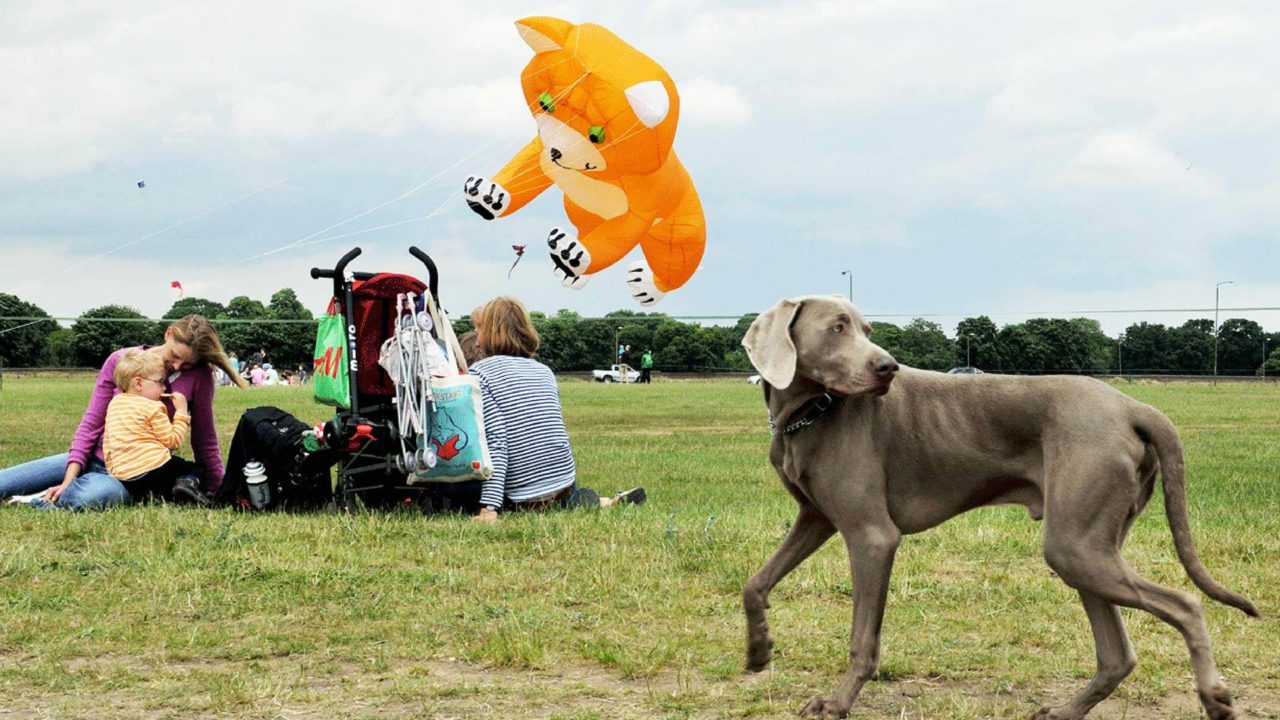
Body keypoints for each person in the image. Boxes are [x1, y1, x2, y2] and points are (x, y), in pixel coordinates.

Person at [0, 315, 246, 509]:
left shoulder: (199, 377)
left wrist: (221, 489)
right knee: (6, 481)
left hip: (128, 476)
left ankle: (34, 499)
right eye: (175, 356)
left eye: (188, 363)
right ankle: (60, 487)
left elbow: (204, 440)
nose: (177, 365)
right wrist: (70, 476)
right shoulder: (121, 361)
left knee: (94, 496)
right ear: (168, 333)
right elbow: (91, 425)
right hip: (92, 458)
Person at [465, 297, 644, 522]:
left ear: (491, 332)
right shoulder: (544, 371)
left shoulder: (480, 374)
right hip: (564, 484)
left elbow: (496, 440)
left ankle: (585, 501)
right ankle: (597, 501)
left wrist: (489, 507)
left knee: (460, 482)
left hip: (522, 498)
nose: (477, 342)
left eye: (479, 330)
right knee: (566, 497)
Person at [101, 349, 206, 504]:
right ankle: (187, 484)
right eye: (160, 382)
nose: (164, 388)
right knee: (198, 469)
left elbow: (108, 443)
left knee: (158, 488)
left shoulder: (115, 403)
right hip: (156, 470)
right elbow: (173, 441)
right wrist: (182, 412)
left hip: (126, 478)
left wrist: (114, 471)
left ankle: (163, 495)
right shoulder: (153, 407)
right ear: (138, 383)